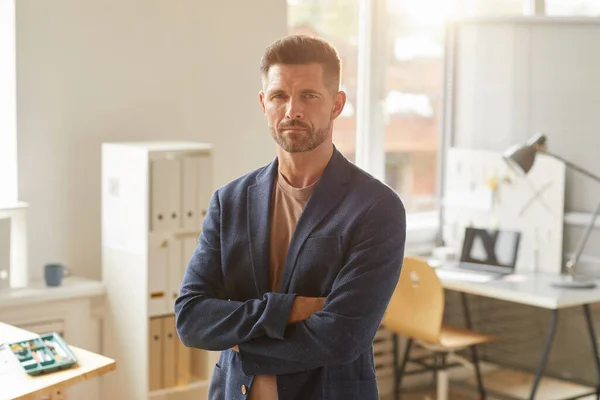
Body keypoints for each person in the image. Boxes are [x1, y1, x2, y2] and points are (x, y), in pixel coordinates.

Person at [175, 34, 406, 400]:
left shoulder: (376, 208)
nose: (292, 111)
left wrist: (241, 343)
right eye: (280, 96)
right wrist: (290, 309)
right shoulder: (230, 201)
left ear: (337, 104)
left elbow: (342, 338)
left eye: (309, 96)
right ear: (263, 102)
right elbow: (191, 319)